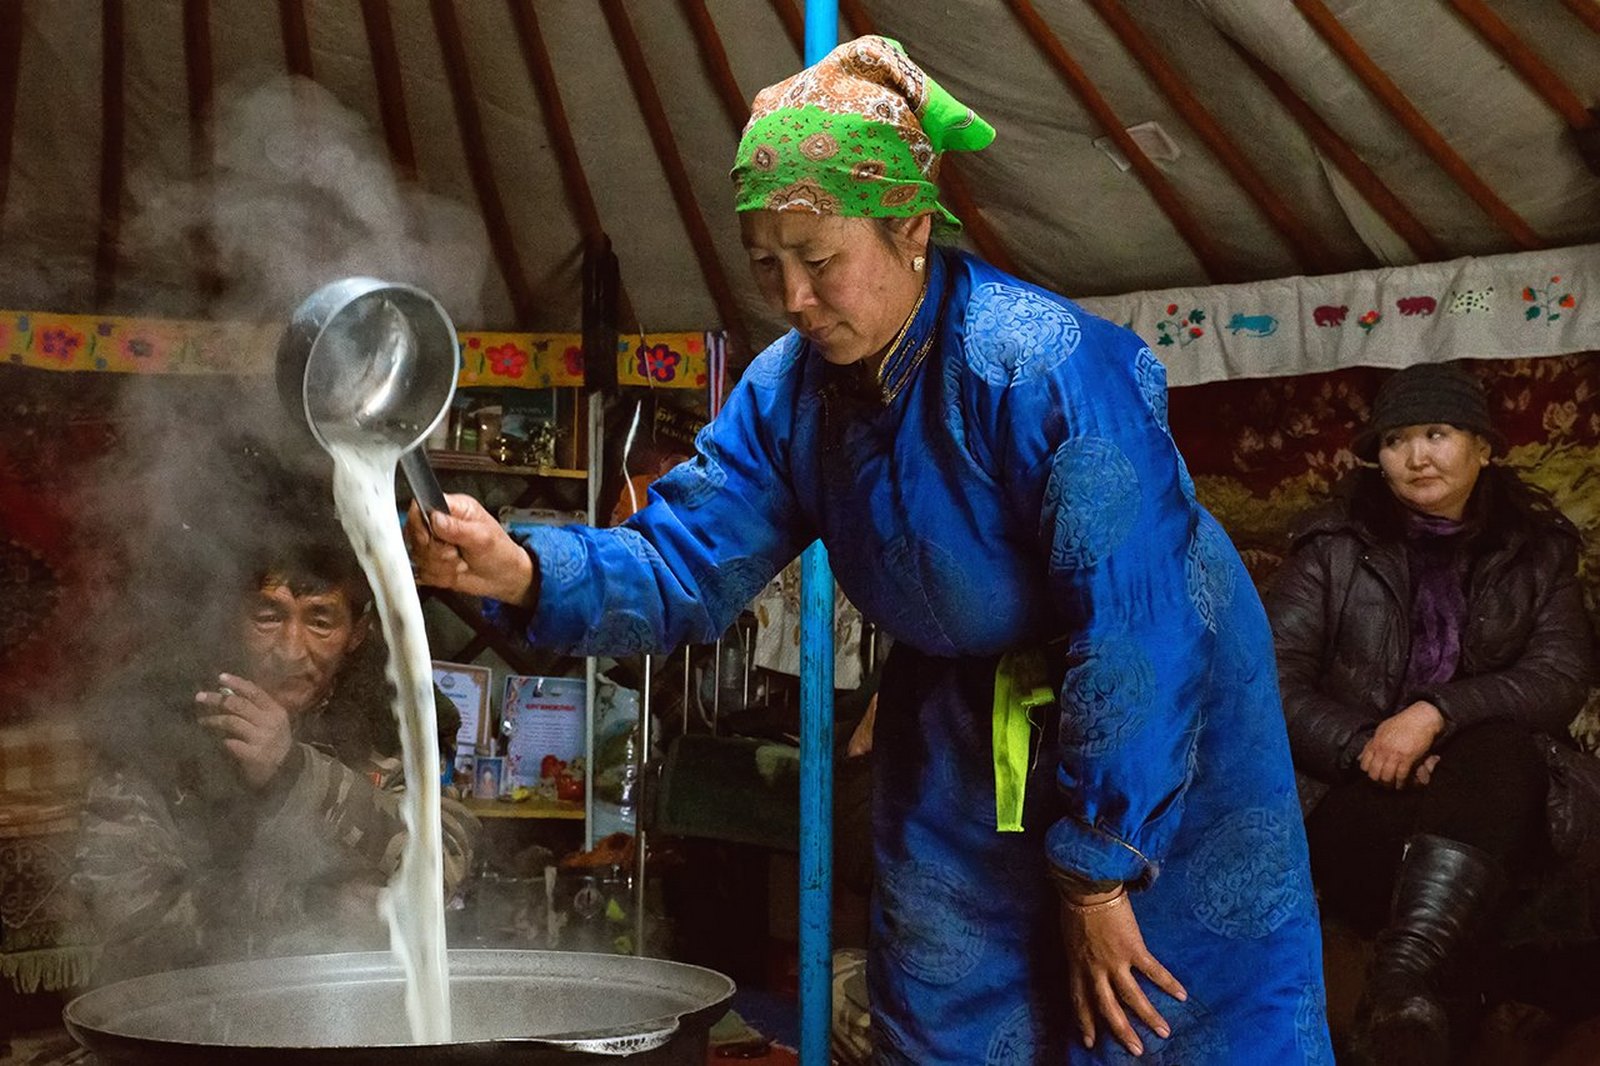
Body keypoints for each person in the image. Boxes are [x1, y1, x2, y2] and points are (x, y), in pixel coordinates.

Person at [409, 36, 1330, 1064]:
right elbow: (683, 562)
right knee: (945, 1008)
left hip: (1160, 720)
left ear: (909, 232)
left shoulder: (1045, 367)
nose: (794, 299)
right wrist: (524, 568)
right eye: (767, 266)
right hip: (958, 721)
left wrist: (1101, 871)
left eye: (819, 262)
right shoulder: (788, 391)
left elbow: (1137, 621)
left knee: (1155, 1010)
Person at [1265, 362, 1596, 1064]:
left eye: (1438, 434)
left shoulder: (1536, 552)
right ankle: (1435, 990)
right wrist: (1366, 745)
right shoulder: (1332, 546)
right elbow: (1271, 679)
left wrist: (1434, 713)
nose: (1416, 457)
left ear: (1483, 448)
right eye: (1396, 440)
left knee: (1501, 746)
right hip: (1352, 789)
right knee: (1493, 902)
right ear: (1377, 457)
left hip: (1496, 786)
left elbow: (1560, 675)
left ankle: (1402, 981)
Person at [76, 510, 479, 984]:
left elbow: (439, 861)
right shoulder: (160, 718)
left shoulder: (395, 721)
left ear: (358, 633)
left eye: (321, 621)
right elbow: (128, 914)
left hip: (349, 1007)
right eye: (268, 617)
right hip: (188, 1018)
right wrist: (315, 908)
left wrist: (293, 772)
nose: (290, 650)